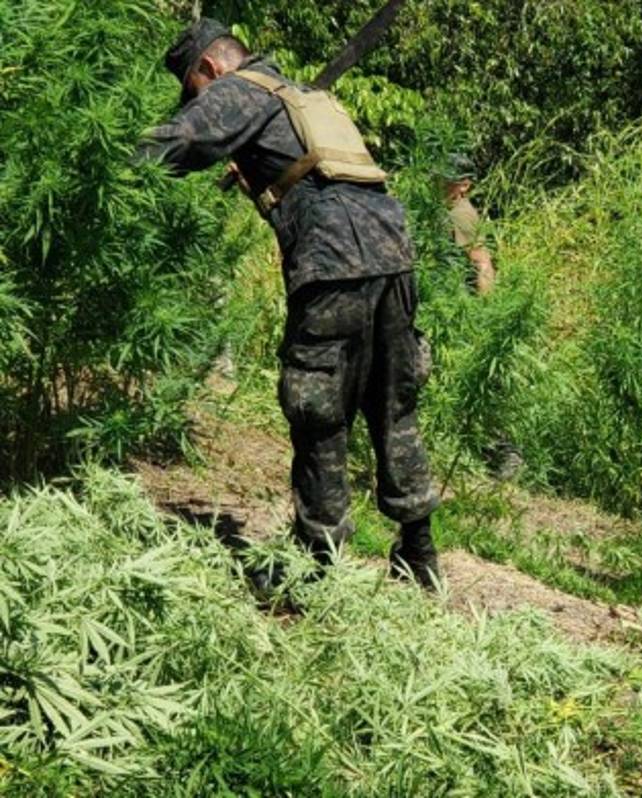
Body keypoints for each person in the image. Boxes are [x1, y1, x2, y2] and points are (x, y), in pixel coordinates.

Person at [137, 19, 440, 588]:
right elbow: (319, 176)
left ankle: (315, 563)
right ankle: (420, 556)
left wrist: (105, 161)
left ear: (210, 68)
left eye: (194, 89)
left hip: (334, 257)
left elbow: (178, 143)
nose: (199, 100)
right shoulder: (299, 95)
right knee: (391, 401)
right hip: (394, 253)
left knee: (315, 403)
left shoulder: (238, 88)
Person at [441, 154, 496, 295]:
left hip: (458, 296)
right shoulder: (447, 209)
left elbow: (482, 263)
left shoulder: (460, 214)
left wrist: (484, 305)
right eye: (438, 178)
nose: (439, 184)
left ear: (464, 186)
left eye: (447, 181)